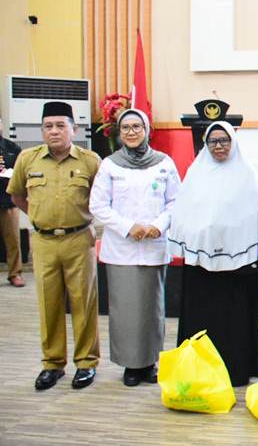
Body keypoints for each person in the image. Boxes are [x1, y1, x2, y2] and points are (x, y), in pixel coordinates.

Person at [7, 101, 101, 390]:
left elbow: (102, 200)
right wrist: (39, 218)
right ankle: (52, 364)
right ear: (42, 130)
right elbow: (17, 197)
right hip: (44, 241)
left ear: (74, 128)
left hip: (79, 240)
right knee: (49, 304)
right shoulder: (27, 159)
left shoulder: (90, 160)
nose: (54, 131)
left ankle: (86, 363)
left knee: (83, 303)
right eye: (49, 126)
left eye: (61, 125)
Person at [170, 121, 258, 386]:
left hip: (237, 267)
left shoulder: (247, 174)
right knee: (201, 319)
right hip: (200, 266)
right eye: (213, 141)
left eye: (224, 140)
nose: (219, 146)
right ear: (205, 144)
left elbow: (256, 214)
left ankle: (235, 370)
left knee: (233, 320)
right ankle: (197, 371)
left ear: (233, 142)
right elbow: (183, 213)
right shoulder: (195, 173)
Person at [89, 108, 180, 386]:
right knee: (125, 309)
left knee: (152, 309)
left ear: (147, 129)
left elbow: (176, 202)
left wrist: (159, 224)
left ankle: (150, 361)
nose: (131, 132)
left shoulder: (164, 163)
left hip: (153, 246)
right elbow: (98, 205)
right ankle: (130, 365)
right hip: (122, 249)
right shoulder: (110, 165)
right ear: (119, 131)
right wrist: (129, 227)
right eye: (126, 127)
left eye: (136, 127)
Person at [0, 114, 25, 287]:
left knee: (13, 240)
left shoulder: (12, 147)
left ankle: (15, 273)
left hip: (8, 200)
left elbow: (21, 172)